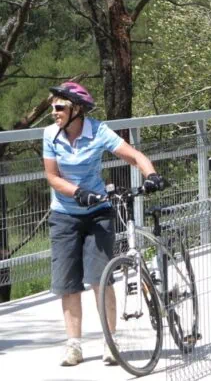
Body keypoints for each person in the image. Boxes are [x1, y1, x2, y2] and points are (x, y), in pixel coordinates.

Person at [42, 82, 164, 368]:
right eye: (52, 107)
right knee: (67, 283)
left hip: (98, 212)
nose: (53, 112)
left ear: (77, 110)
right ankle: (74, 346)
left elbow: (133, 155)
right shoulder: (50, 134)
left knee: (100, 278)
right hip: (64, 214)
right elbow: (52, 176)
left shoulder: (98, 131)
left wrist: (151, 173)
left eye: (59, 107)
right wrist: (77, 192)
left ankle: (111, 341)